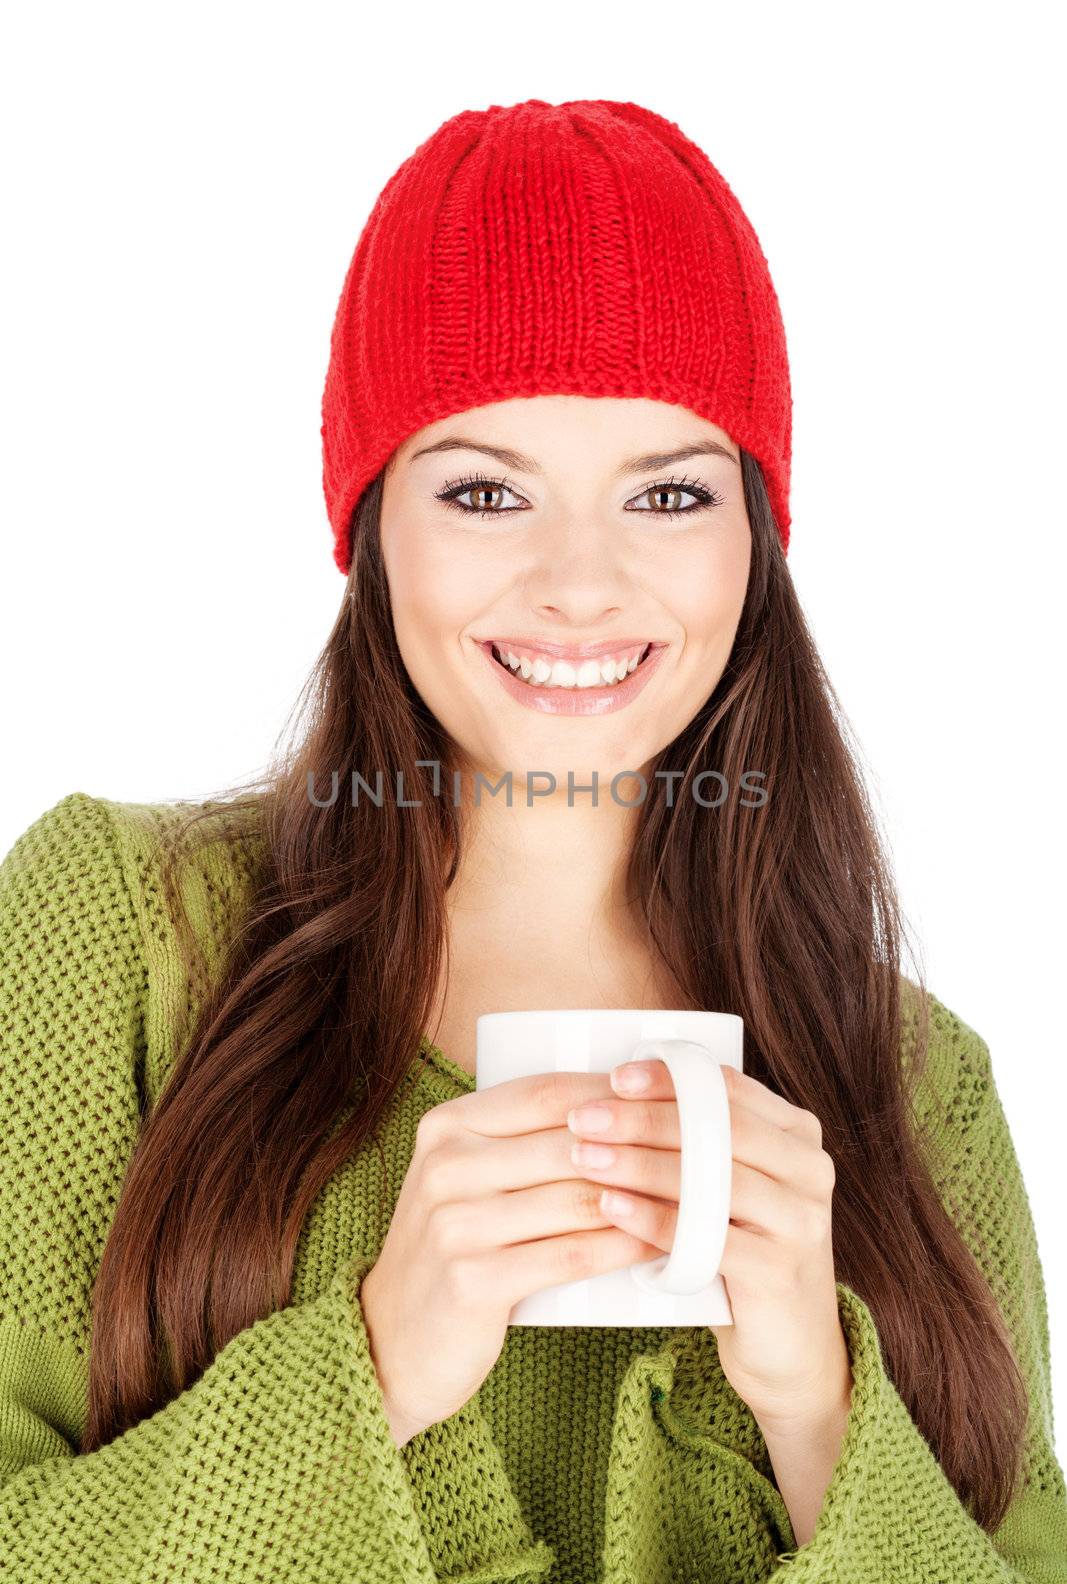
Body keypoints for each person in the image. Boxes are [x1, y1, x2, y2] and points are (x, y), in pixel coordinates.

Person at [1, 97, 1064, 1584]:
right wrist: (368, 1372)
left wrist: (822, 1413)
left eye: (671, 492)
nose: (580, 585)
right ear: (371, 526)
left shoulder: (915, 1085)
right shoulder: (113, 933)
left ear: (756, 539)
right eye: (487, 490)